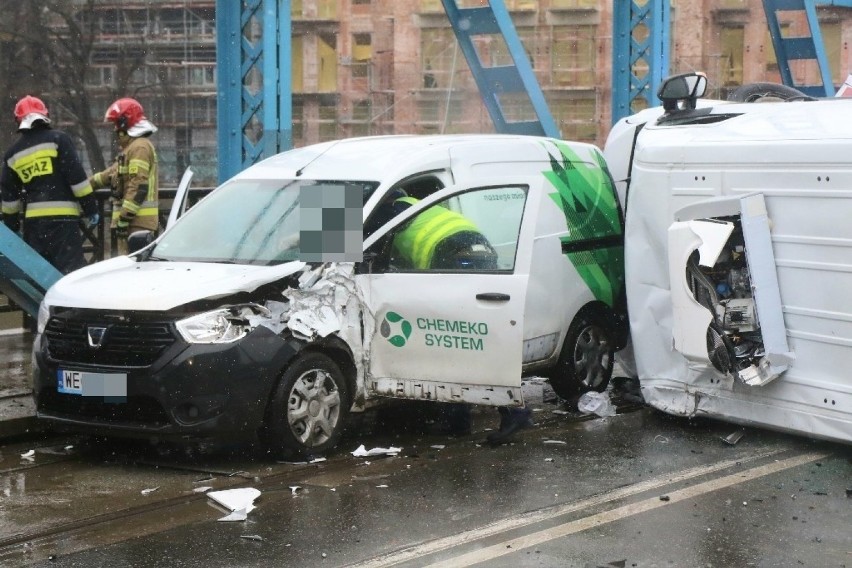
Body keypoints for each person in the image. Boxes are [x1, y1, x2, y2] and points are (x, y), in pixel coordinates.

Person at [373, 191, 533, 444]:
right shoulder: (414, 204)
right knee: (462, 341)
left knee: (449, 342)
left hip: (451, 255)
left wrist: (303, 241)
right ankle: (460, 420)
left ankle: (510, 411)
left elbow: (348, 248)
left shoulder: (384, 212)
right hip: (478, 247)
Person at [0, 95, 99, 274]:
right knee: (70, 273)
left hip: (34, 224)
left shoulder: (12, 154)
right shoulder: (58, 140)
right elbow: (77, 179)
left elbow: (9, 199)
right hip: (64, 221)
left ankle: (44, 302)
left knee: (41, 274)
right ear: (44, 115)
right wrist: (91, 207)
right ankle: (67, 302)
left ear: (18, 120)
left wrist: (12, 227)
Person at [89, 98, 159, 256]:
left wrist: (124, 217)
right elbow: (108, 175)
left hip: (138, 224)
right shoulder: (131, 149)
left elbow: (138, 185)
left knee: (135, 272)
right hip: (133, 224)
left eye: (116, 124)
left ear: (124, 124)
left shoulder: (139, 147)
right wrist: (83, 186)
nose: (115, 130)